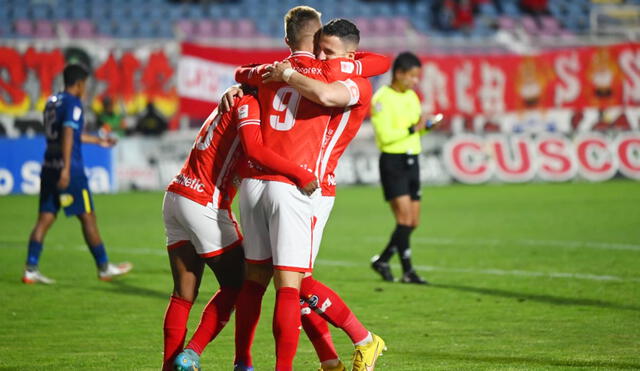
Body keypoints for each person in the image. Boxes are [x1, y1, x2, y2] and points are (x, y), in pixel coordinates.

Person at [228, 12, 388, 371]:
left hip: (310, 185)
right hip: (295, 183)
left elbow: (325, 94)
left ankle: (356, 344)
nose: (325, 57)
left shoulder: (349, 81)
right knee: (292, 280)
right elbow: (377, 61)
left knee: (294, 281)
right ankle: (342, 353)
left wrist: (271, 75)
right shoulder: (328, 69)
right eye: (322, 49)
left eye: (331, 52)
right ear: (314, 40)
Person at [163, 88, 317, 371]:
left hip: (176, 194)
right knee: (241, 282)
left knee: (182, 294)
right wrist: (300, 173)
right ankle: (193, 352)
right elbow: (254, 150)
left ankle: (169, 367)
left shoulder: (233, 98)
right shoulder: (248, 103)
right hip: (204, 201)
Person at [23, 64, 132, 284]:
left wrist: (98, 141)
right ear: (80, 83)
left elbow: (71, 134)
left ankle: (30, 269)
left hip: (49, 167)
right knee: (88, 216)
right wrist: (66, 169)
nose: (86, 88)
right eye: (86, 84)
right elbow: (68, 134)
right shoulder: (74, 103)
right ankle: (104, 268)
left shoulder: (52, 103)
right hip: (70, 170)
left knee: (45, 218)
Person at [369, 52, 440, 285]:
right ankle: (408, 271)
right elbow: (385, 136)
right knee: (404, 219)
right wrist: (412, 129)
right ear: (398, 74)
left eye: (417, 77)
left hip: (412, 160)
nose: (415, 81)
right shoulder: (381, 98)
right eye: (411, 76)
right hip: (393, 161)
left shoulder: (412, 96)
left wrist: (426, 126)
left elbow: (415, 129)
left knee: (413, 222)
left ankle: (383, 260)